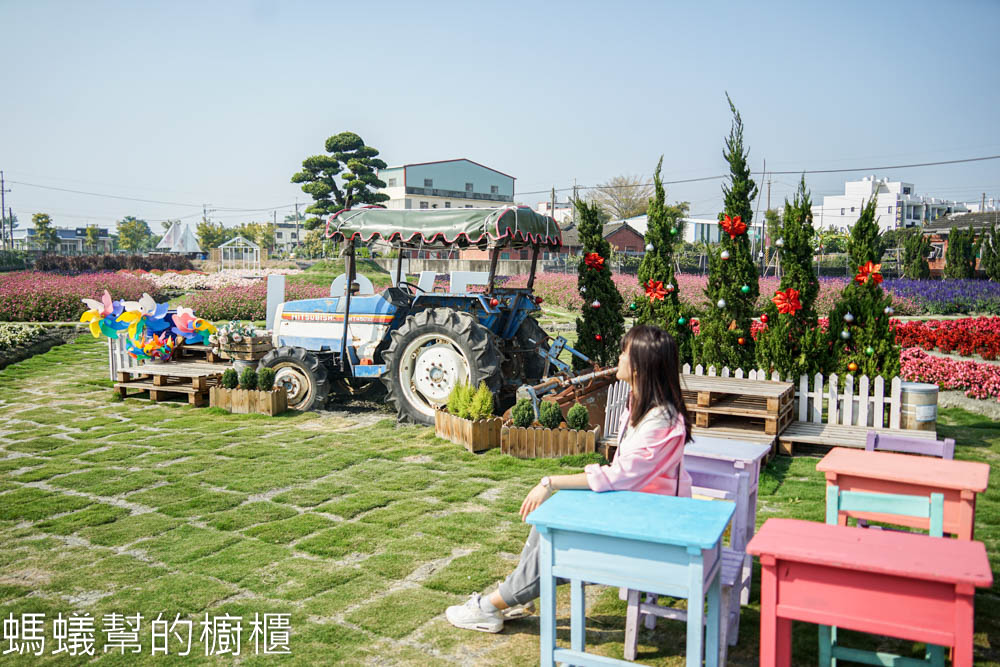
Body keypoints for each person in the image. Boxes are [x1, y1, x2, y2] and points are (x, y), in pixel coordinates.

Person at [445, 324, 693, 633]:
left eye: (624, 353)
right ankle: (514, 596)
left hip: (647, 532)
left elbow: (619, 476)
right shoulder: (645, 409)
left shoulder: (660, 422)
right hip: (633, 513)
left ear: (641, 366)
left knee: (555, 545)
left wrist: (550, 481)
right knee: (548, 520)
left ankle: (489, 606)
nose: (618, 357)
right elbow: (623, 476)